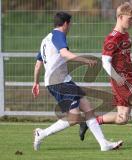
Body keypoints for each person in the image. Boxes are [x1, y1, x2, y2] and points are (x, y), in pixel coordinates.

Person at [32, 11, 123, 151]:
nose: (70, 27)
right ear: (66, 24)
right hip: (59, 83)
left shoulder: (46, 39)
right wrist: (85, 60)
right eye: (70, 24)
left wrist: (36, 82)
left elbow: (38, 64)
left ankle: (103, 144)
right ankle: (42, 133)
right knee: (74, 118)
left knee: (88, 109)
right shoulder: (58, 35)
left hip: (63, 81)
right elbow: (64, 53)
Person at [80, 2, 132, 147]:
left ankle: (91, 122)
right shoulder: (112, 38)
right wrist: (117, 78)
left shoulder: (126, 36)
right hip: (121, 79)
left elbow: (125, 57)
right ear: (120, 17)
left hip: (128, 78)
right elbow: (105, 62)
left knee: (122, 118)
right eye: (130, 19)